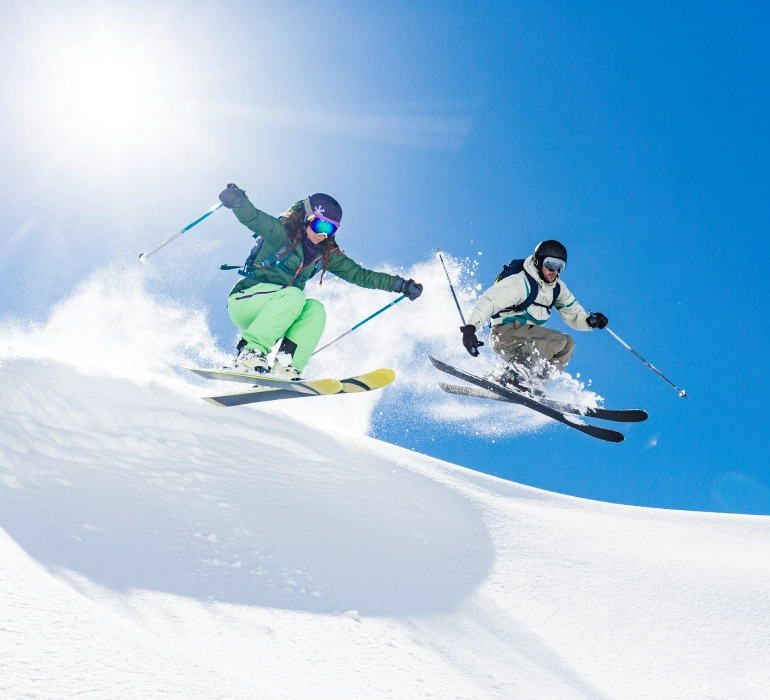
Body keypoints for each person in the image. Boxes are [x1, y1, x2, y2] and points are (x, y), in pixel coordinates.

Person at [218, 184, 423, 379]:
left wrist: (400, 285)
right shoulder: (280, 233)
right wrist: (238, 201)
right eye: (320, 225)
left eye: (331, 230)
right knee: (295, 296)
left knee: (315, 309)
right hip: (246, 301)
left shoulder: (325, 254)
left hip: (277, 312)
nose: (323, 235)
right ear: (307, 217)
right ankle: (250, 353)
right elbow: (254, 218)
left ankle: (286, 366)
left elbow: (361, 275)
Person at [459, 240, 607, 388]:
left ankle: (534, 383)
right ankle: (513, 376)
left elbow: (574, 313)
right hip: (505, 333)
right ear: (538, 261)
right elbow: (490, 301)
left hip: (528, 340)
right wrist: (471, 329)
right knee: (559, 340)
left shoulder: (557, 289)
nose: (554, 271)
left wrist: (590, 321)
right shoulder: (520, 282)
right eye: (551, 264)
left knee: (569, 344)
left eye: (560, 266)